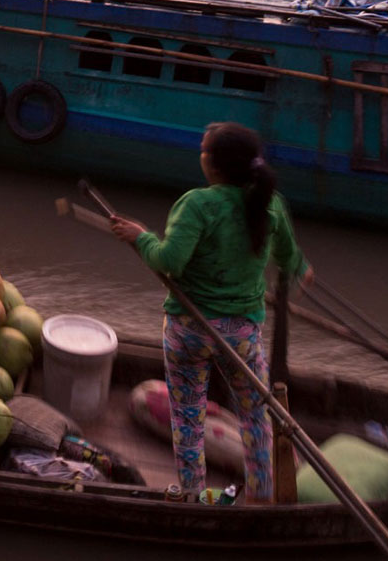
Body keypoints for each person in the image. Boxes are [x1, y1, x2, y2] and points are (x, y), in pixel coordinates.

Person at [105, 122, 312, 502]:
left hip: (189, 330)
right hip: (242, 333)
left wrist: (141, 237)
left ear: (212, 165)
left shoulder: (197, 204)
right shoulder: (271, 203)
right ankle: (263, 495)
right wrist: (301, 269)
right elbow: (287, 257)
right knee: (255, 417)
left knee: (187, 418)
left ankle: (193, 496)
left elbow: (169, 262)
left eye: (203, 150)